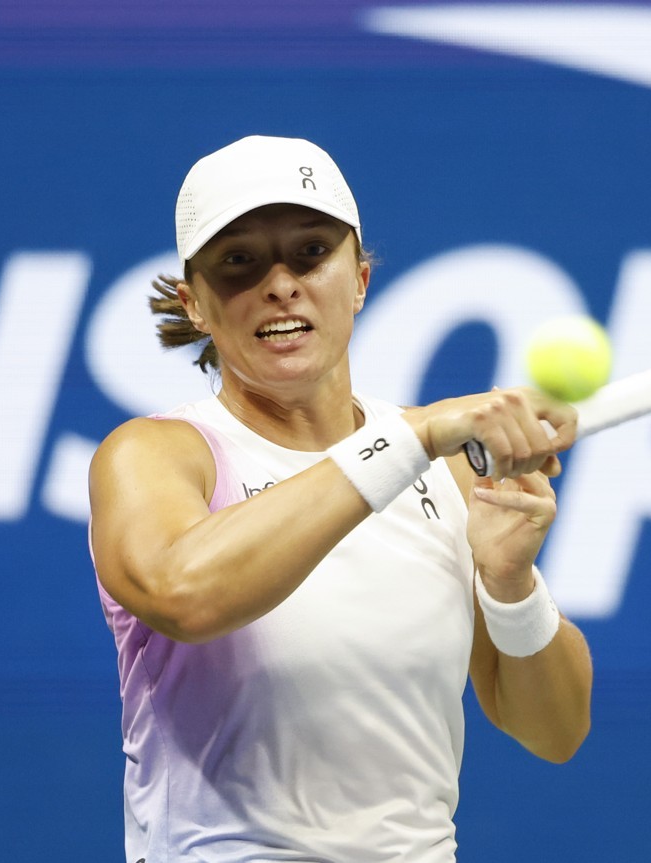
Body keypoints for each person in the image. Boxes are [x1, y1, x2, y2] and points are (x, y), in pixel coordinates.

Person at [88, 135, 593, 862]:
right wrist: (415, 434)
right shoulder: (156, 454)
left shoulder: (447, 474)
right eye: (240, 261)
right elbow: (184, 593)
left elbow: (556, 729)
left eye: (310, 252)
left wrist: (511, 587)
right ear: (193, 302)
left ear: (358, 280)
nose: (281, 283)